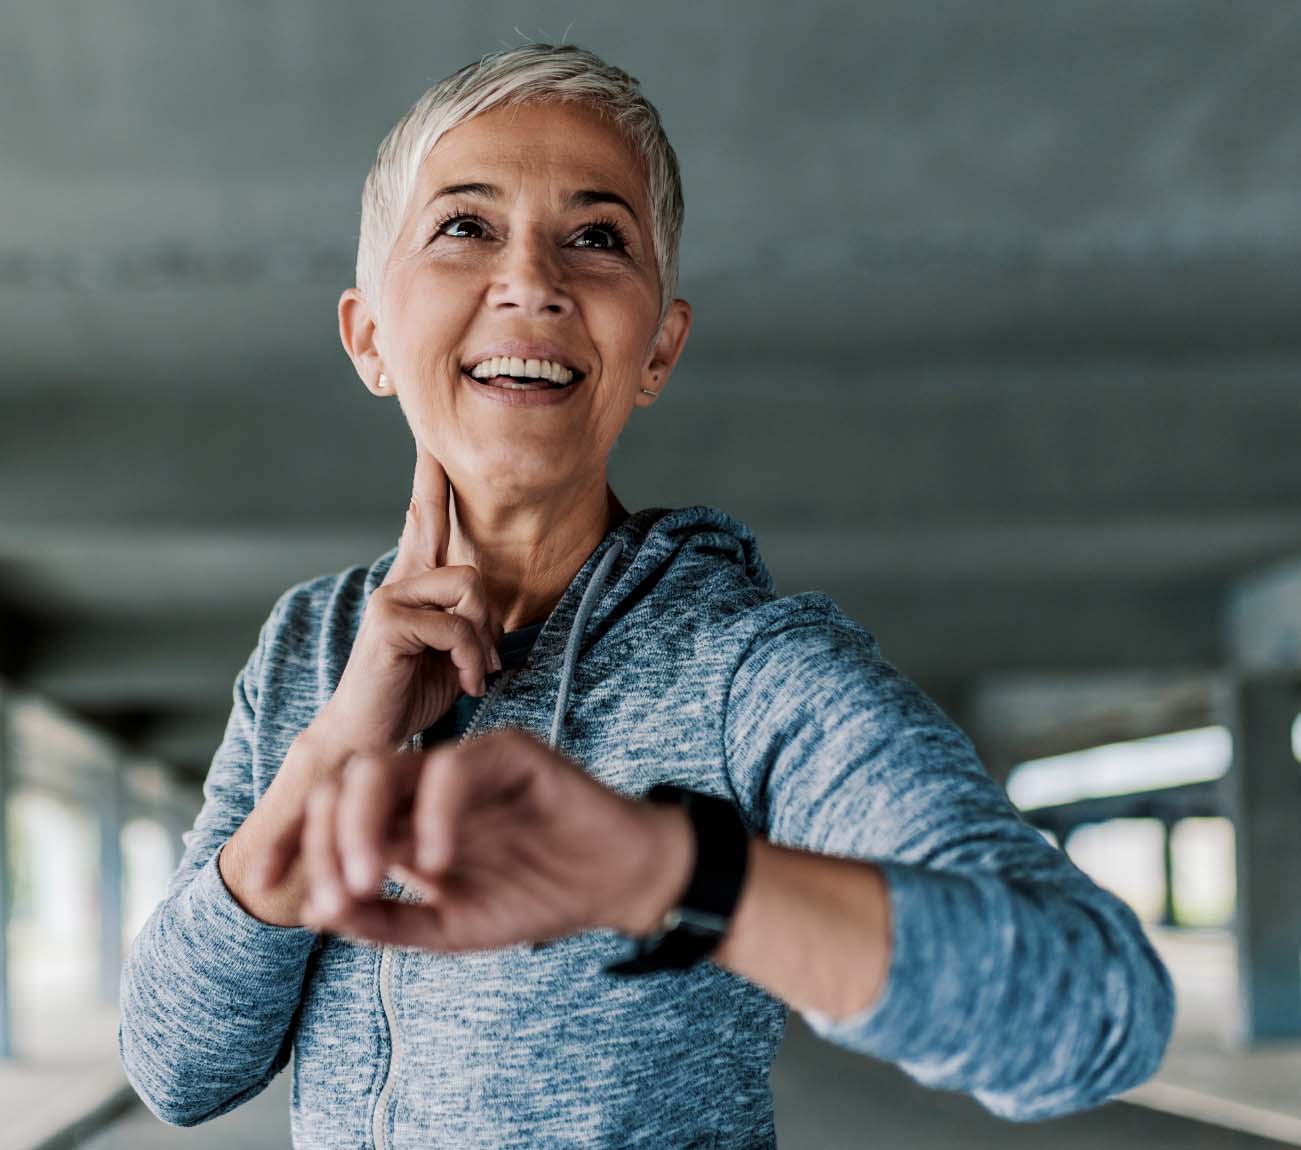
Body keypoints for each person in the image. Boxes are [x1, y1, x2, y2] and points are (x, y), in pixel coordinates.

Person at [118, 42, 1175, 1150]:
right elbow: (175, 1066)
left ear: (657, 348)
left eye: (596, 238)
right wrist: (334, 748)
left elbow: (1098, 1008)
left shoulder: (747, 668)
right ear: (369, 334)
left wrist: (660, 868)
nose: (531, 280)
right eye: (465, 226)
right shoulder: (308, 643)